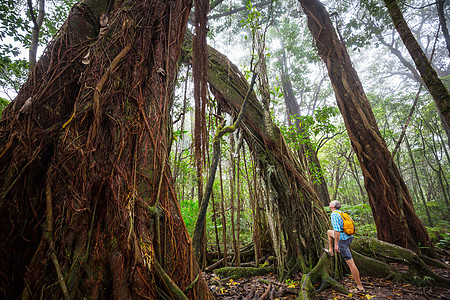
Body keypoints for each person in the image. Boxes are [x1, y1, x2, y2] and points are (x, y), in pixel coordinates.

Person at [325, 200, 364, 293]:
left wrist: (336, 244)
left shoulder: (334, 215)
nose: (329, 203)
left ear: (333, 206)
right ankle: (330, 251)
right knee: (329, 232)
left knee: (350, 263)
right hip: (349, 237)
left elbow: (337, 231)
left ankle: (360, 287)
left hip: (342, 240)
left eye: (331, 202)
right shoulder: (342, 213)